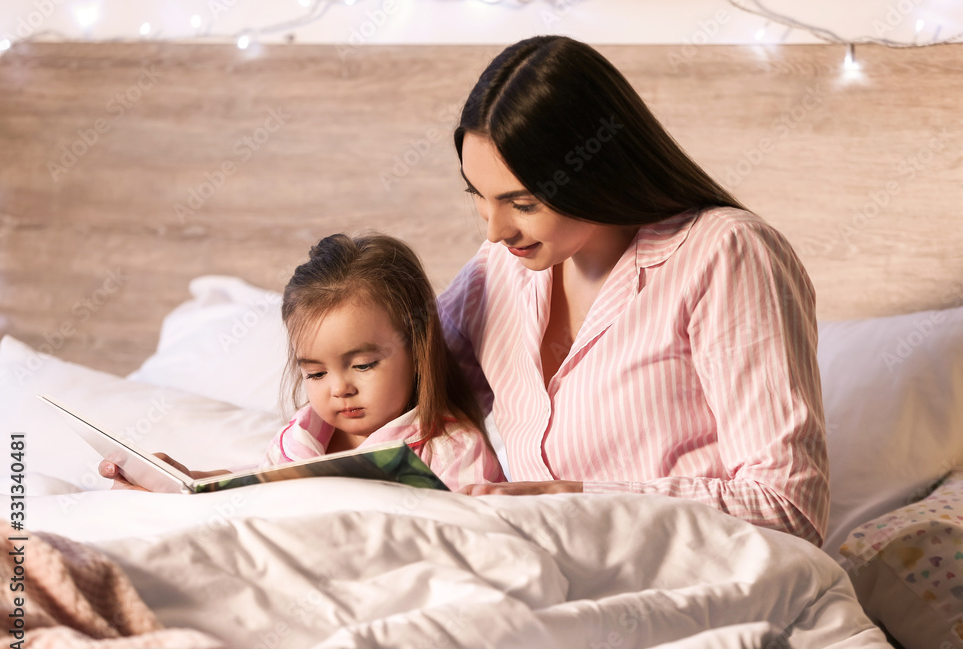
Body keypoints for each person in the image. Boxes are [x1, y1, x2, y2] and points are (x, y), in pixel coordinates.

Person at [440, 35, 830, 545]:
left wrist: (575, 502)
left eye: (524, 203)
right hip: (550, 583)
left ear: (597, 174)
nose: (495, 230)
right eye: (479, 196)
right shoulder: (498, 270)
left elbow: (790, 509)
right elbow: (401, 400)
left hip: (709, 589)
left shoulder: (725, 253)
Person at [101, 232, 505, 492]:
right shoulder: (300, 436)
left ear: (417, 351)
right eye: (314, 372)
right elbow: (257, 487)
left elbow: (482, 535)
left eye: (363, 365)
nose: (338, 388)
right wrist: (182, 481)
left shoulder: (453, 449)